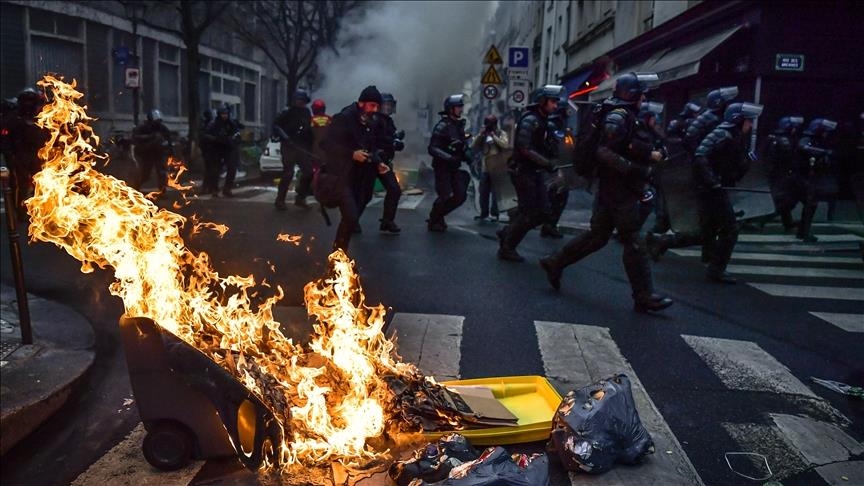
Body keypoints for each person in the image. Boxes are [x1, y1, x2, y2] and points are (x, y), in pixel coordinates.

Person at [539, 72, 674, 313]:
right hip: (618, 187)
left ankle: (555, 262)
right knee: (633, 238)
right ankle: (643, 296)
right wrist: (635, 169)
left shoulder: (621, 114)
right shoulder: (618, 116)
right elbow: (604, 152)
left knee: (598, 236)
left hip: (613, 186)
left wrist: (646, 155)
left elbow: (627, 146)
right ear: (632, 94)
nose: (644, 97)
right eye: (641, 93)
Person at [693, 102, 763, 283]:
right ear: (738, 120)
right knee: (729, 229)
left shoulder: (736, 136)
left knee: (711, 227)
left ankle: (710, 263)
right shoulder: (723, 134)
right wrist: (712, 181)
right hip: (713, 189)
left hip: (719, 187)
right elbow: (700, 156)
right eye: (748, 121)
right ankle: (715, 269)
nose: (750, 125)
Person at [319, 85, 381, 251]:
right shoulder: (344, 118)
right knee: (351, 216)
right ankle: (338, 255)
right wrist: (351, 154)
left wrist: (377, 161)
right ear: (361, 103)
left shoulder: (371, 122)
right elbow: (326, 144)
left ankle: (339, 253)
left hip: (359, 176)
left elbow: (371, 146)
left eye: (377, 106)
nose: (375, 110)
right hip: (341, 175)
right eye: (372, 105)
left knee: (351, 218)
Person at [427, 94, 472, 232]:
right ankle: (434, 218)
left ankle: (438, 216)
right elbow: (433, 148)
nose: (461, 109)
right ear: (450, 109)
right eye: (458, 107)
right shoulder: (442, 126)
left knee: (460, 195)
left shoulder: (458, 126)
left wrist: (466, 154)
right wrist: (449, 157)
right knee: (445, 195)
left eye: (461, 106)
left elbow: (461, 145)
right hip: (442, 167)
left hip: (454, 166)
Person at [366, 92, 405, 234]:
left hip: (384, 162)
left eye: (390, 105)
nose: (388, 107)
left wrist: (396, 142)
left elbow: (389, 139)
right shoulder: (374, 120)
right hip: (371, 162)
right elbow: (369, 141)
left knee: (394, 189)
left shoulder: (388, 122)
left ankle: (387, 221)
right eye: (385, 104)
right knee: (364, 195)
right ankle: (351, 220)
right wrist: (377, 153)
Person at [796, 118, 838, 242]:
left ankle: (803, 232)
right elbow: (803, 147)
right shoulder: (806, 139)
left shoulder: (816, 141)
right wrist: (824, 152)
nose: (826, 134)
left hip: (807, 178)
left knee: (809, 205)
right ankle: (803, 233)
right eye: (824, 131)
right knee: (804, 204)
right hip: (800, 177)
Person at [273, 89, 315, 210]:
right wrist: (286, 138)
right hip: (288, 146)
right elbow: (276, 125)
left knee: (308, 172)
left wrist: (310, 146)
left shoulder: (306, 112)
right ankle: (280, 200)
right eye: (299, 100)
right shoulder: (287, 111)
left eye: (302, 101)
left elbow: (308, 130)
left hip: (301, 146)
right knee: (288, 173)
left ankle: (300, 198)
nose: (301, 103)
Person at [764, 116, 805, 231]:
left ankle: (787, 222)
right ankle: (760, 221)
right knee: (785, 201)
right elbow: (790, 159)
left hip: (777, 174)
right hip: (782, 175)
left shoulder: (773, 137)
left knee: (784, 200)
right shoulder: (784, 140)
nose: (795, 130)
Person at [540, 100, 572, 239]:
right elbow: (555, 146)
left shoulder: (558, 124)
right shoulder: (553, 125)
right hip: (553, 165)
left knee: (558, 196)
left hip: (558, 165)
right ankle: (548, 225)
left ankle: (549, 225)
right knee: (556, 196)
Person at [635, 101, 668, 229]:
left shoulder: (653, 133)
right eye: (653, 116)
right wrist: (650, 154)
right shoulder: (639, 133)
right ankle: (630, 230)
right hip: (638, 173)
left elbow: (661, 148)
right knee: (646, 200)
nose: (656, 119)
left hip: (652, 172)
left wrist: (661, 152)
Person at [471, 114, 509, 222]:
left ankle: (494, 214)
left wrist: (494, 136)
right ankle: (484, 213)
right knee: (483, 192)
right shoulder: (483, 135)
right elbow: (473, 146)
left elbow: (505, 145)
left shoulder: (501, 133)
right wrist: (480, 135)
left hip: (497, 168)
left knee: (496, 193)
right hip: (485, 168)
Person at [202, 105, 243, 197]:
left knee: (232, 168)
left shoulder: (231, 123)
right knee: (215, 170)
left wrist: (233, 140)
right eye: (222, 114)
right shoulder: (213, 124)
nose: (224, 116)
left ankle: (227, 189)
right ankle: (214, 189)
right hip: (216, 148)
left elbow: (237, 134)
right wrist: (216, 139)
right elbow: (206, 135)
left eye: (226, 114)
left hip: (228, 148)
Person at [683, 86, 739, 153]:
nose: (728, 105)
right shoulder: (704, 118)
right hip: (709, 157)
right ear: (719, 103)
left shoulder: (725, 118)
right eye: (725, 102)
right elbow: (688, 139)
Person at [131, 109, 172, 196]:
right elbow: (135, 137)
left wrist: (169, 150)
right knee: (145, 174)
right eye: (156, 121)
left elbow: (168, 139)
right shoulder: (143, 128)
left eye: (159, 121)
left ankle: (162, 191)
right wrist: (150, 137)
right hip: (146, 154)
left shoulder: (162, 128)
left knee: (162, 173)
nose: (158, 123)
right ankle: (135, 188)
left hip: (158, 153)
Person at [199, 109, 219, 196]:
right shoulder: (208, 126)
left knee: (211, 171)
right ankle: (210, 188)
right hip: (210, 151)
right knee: (211, 171)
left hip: (211, 151)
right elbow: (203, 139)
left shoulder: (208, 125)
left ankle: (209, 188)